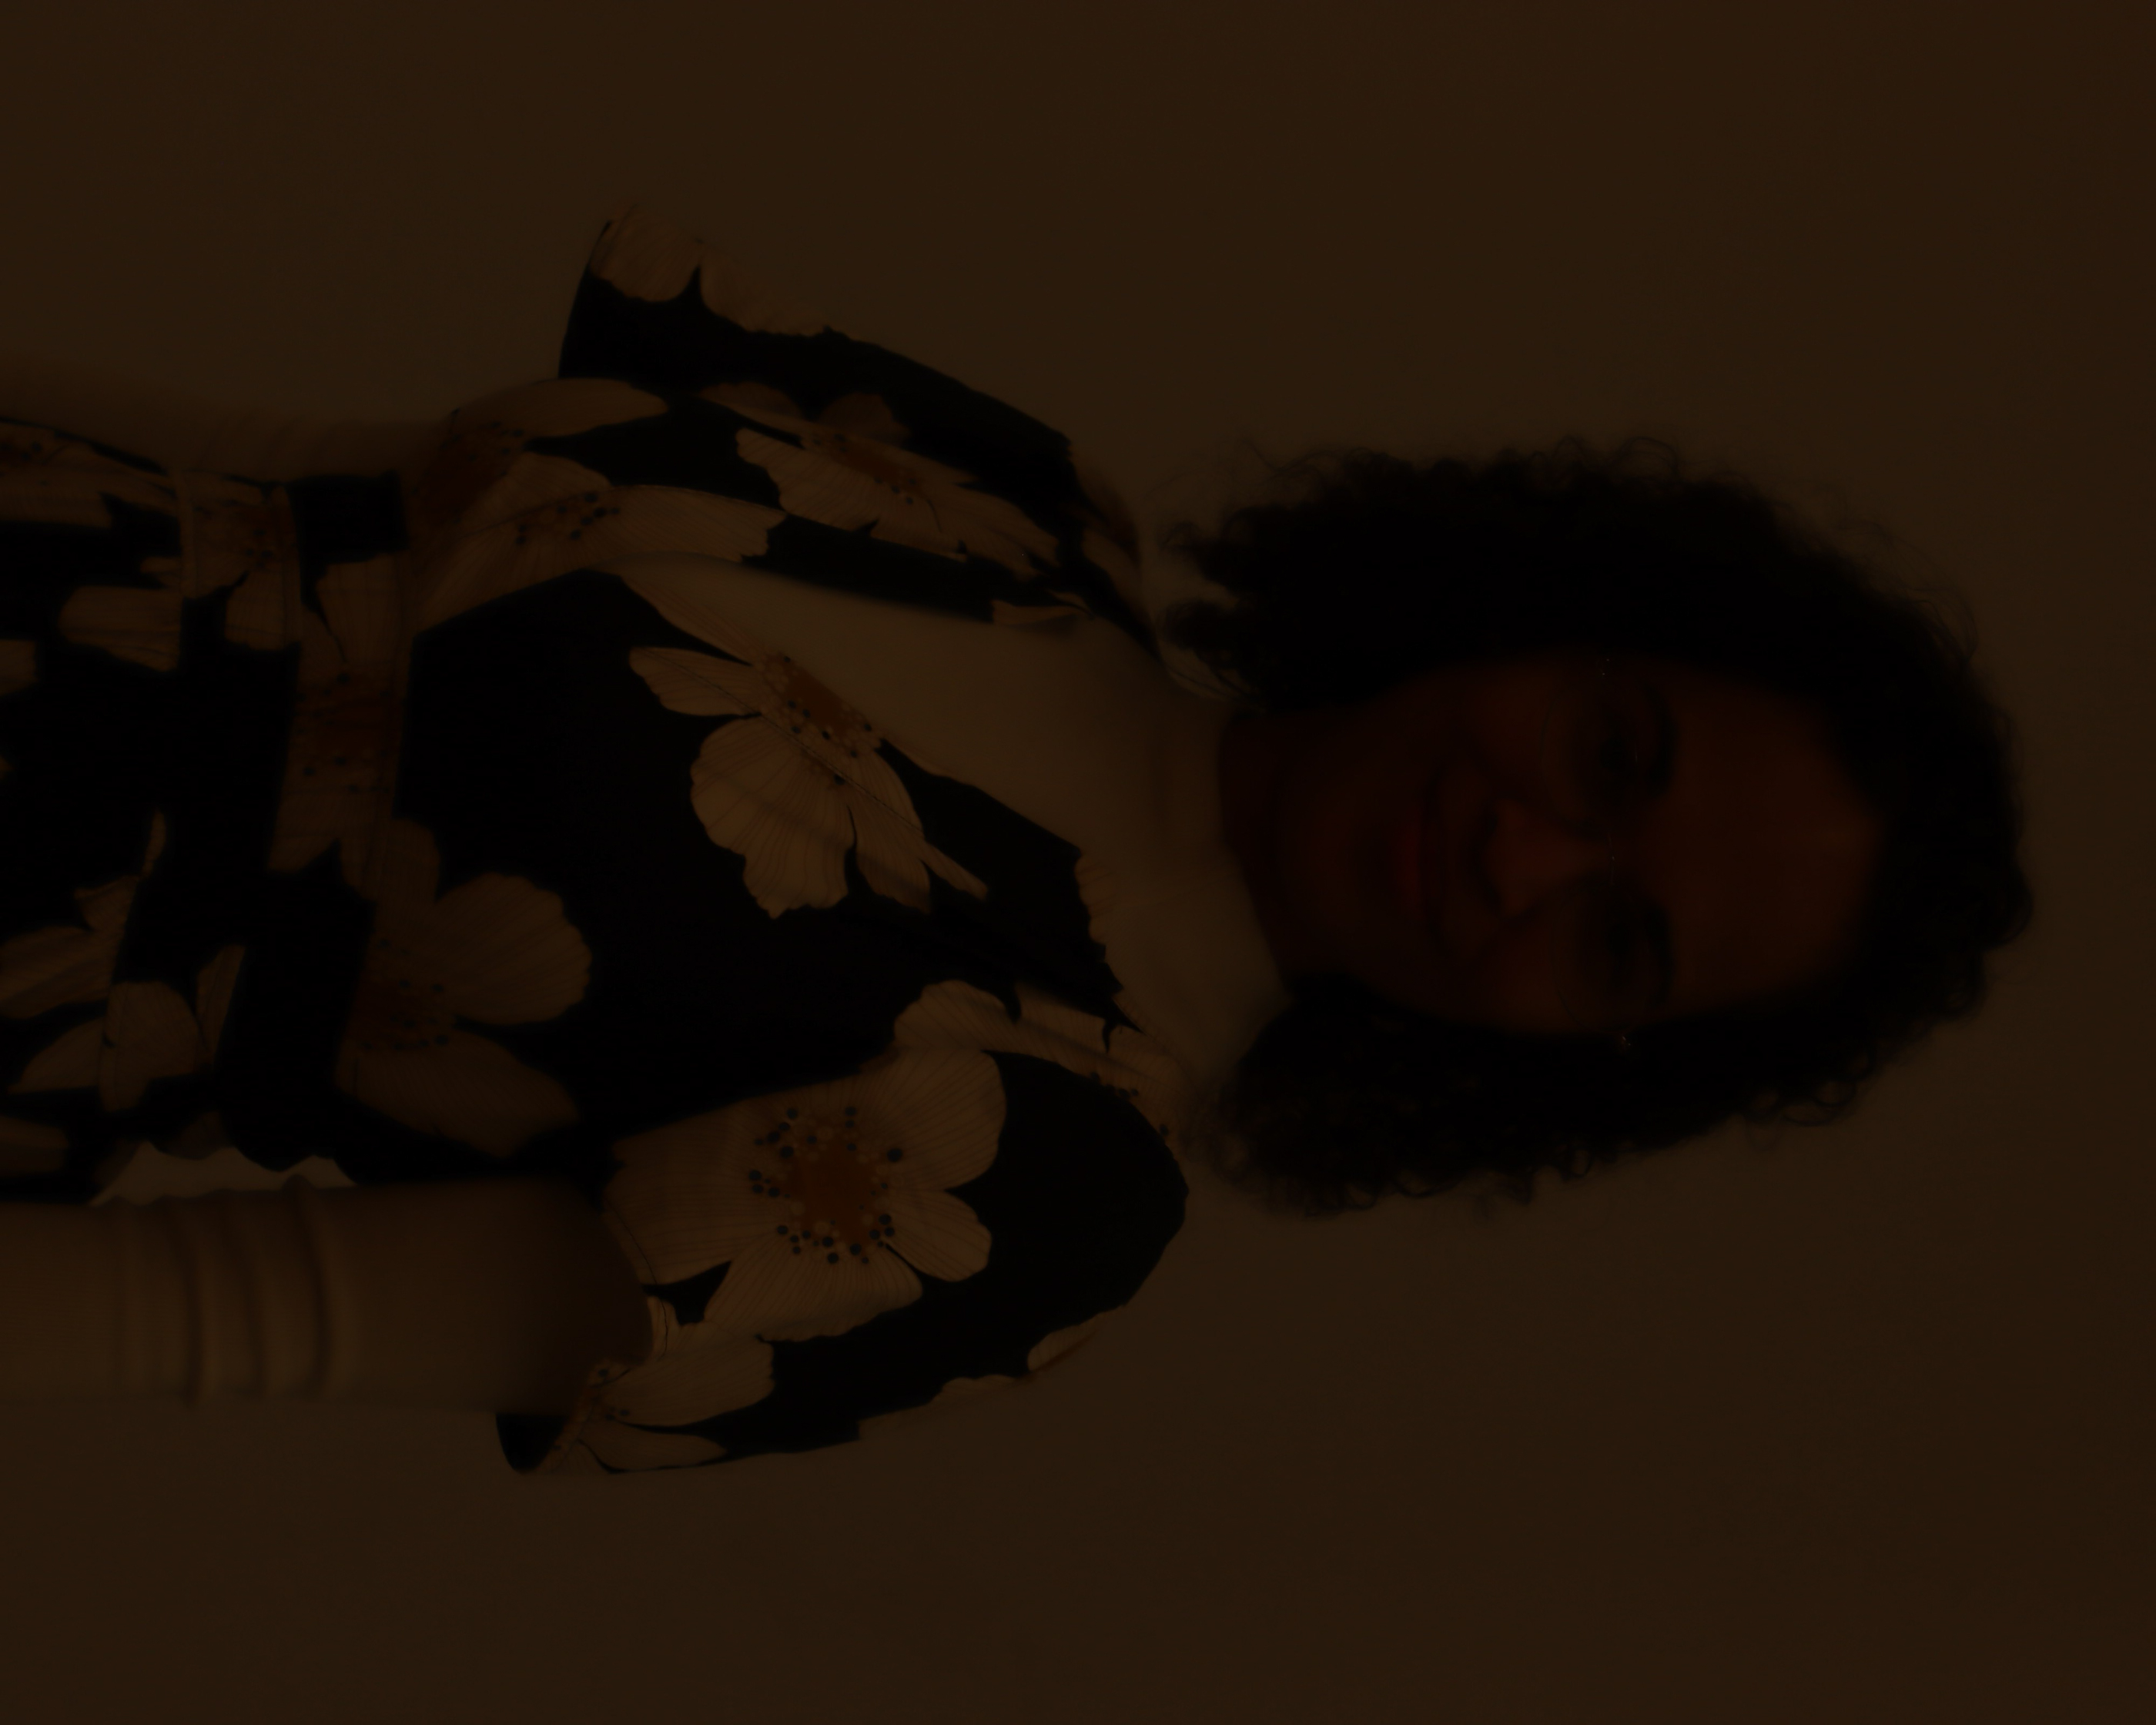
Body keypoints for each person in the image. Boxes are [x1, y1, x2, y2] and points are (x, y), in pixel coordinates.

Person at [0, 206, 2029, 1475]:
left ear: (1580, 1056)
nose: (1529, 861)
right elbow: (290, 479)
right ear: (1560, 614)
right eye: (1614, 752)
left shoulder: (1045, 1183)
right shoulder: (1021, 509)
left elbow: (223, 1312)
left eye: (1620, 943)